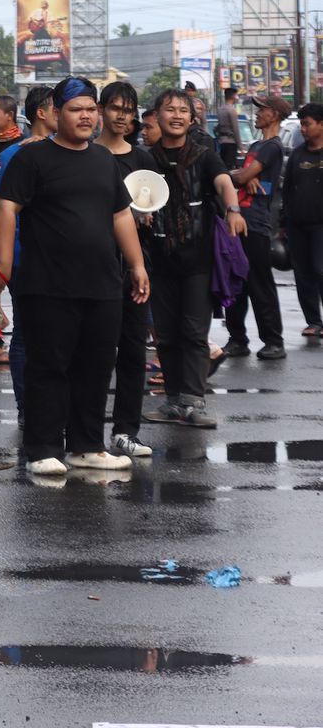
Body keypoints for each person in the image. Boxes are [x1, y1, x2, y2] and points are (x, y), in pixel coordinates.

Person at [0, 76, 149, 477]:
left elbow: (120, 214)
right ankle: (43, 448)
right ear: (57, 113)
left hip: (102, 283)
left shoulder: (103, 160)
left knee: (96, 367)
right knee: (49, 367)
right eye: (76, 109)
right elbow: (6, 208)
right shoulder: (32, 158)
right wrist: (3, 265)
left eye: (91, 109)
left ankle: (86, 446)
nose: (86, 117)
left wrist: (137, 265)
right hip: (46, 283)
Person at [142, 89, 246, 428]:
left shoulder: (204, 155)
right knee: (166, 335)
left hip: (198, 262)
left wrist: (233, 209)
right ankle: (173, 402)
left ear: (192, 118)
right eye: (169, 109)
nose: (176, 115)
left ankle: (193, 401)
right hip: (159, 262)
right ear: (157, 116)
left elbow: (224, 182)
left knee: (193, 332)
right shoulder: (146, 159)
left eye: (182, 110)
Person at [96, 81, 156, 459]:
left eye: (129, 110)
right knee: (94, 351)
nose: (122, 116)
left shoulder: (142, 159)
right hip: (93, 265)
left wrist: (146, 218)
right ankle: (85, 431)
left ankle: (125, 430)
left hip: (134, 268)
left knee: (133, 349)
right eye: (116, 108)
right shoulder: (87, 154)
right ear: (101, 110)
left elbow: (153, 204)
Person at [0, 85, 58, 417]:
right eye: (58, 107)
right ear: (42, 113)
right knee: (25, 335)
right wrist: (3, 262)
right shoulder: (15, 155)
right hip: (24, 258)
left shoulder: (67, 149)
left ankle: (44, 407)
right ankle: (26, 408)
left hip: (57, 258)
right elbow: (3, 212)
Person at [222, 95, 287, 361]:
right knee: (235, 281)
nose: (257, 113)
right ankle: (237, 339)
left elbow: (243, 176)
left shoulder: (272, 146)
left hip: (256, 223)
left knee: (260, 283)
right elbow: (238, 177)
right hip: (238, 219)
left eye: (262, 109)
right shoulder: (257, 145)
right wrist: (238, 177)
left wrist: (239, 177)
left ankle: (274, 341)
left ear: (275, 115)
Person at [282, 103, 323, 337]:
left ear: (321, 125)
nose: (303, 129)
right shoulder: (297, 154)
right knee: (303, 273)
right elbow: (287, 189)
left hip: (320, 226)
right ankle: (314, 321)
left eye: (307, 124)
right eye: (302, 125)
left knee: (320, 270)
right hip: (297, 224)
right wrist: (283, 222)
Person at [216, 87, 243, 171]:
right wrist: (240, 146)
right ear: (233, 96)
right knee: (230, 168)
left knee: (223, 166)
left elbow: (218, 127)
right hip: (231, 142)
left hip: (221, 142)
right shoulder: (232, 110)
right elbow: (235, 129)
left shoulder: (220, 109)